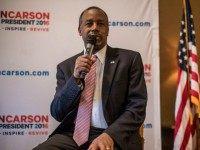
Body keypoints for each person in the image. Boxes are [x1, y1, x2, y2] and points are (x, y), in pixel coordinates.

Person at [33, 6, 147, 150]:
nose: (95, 28)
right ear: (80, 30)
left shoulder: (129, 59)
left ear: (108, 30)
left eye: (100, 24)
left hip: (114, 134)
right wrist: (75, 79)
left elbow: (137, 106)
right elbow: (57, 112)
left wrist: (109, 135)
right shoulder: (66, 67)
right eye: (89, 23)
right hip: (73, 135)